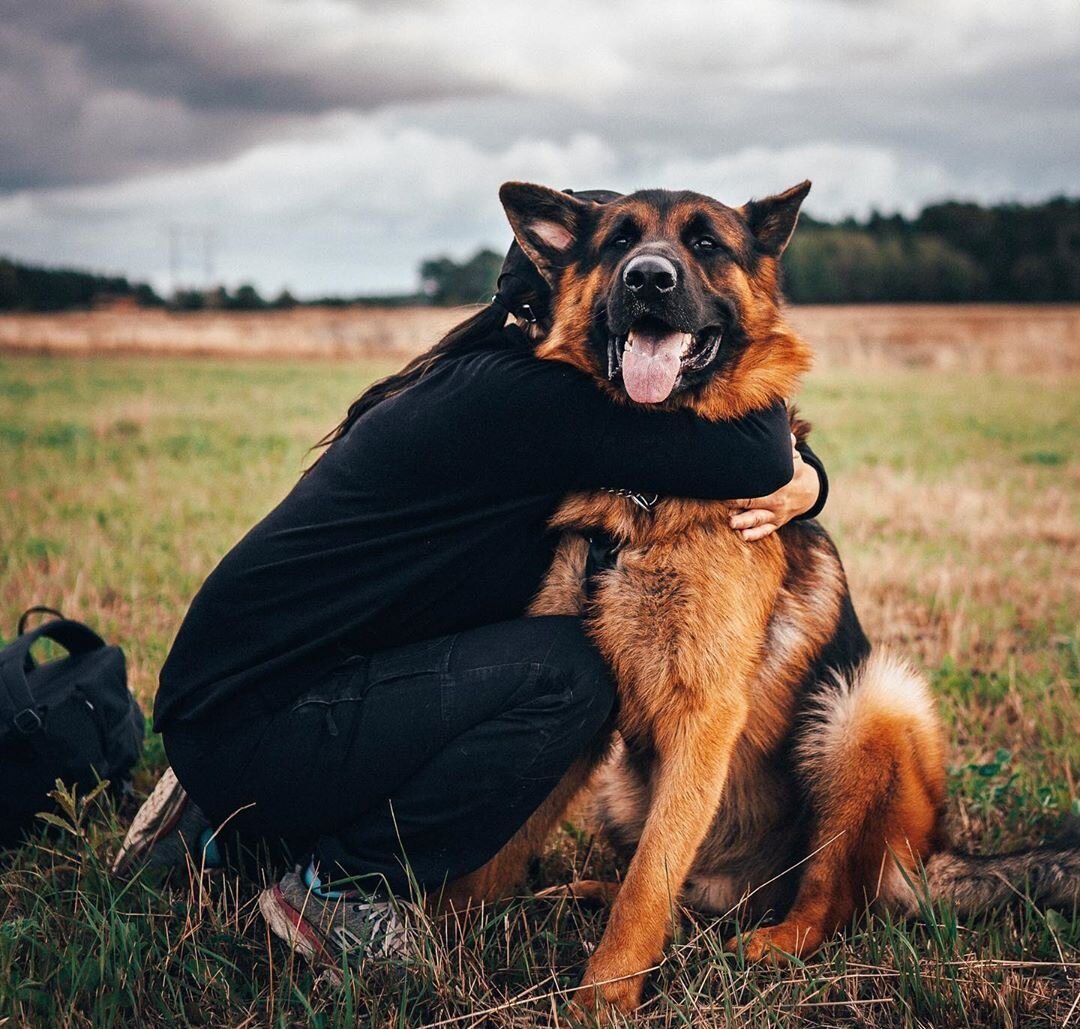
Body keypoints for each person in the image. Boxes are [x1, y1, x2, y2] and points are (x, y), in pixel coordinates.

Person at [114, 191, 828, 969]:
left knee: (516, 642)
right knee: (567, 678)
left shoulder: (486, 380)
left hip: (243, 692)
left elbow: (742, 429)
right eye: (619, 251)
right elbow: (753, 450)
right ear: (562, 285)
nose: (648, 269)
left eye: (683, 251)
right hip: (258, 717)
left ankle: (232, 825)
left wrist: (806, 480)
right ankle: (335, 885)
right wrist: (805, 480)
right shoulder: (529, 399)